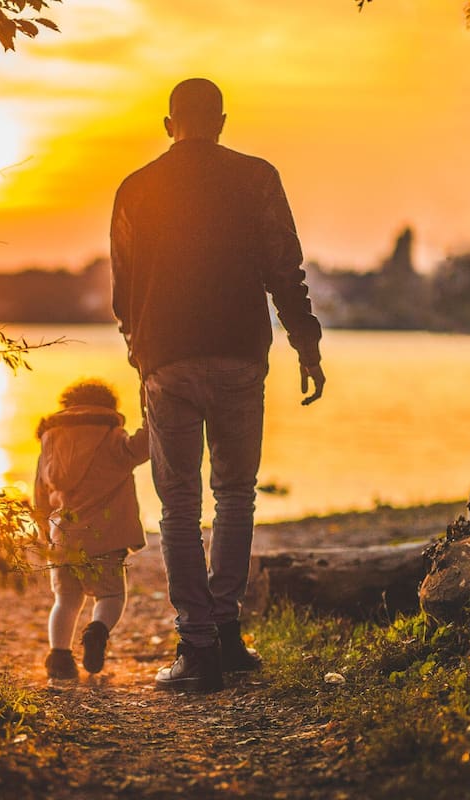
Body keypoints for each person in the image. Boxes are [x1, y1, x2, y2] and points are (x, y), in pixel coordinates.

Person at [110, 77, 325, 692]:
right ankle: (227, 634)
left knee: (179, 505)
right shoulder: (257, 177)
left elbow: (124, 288)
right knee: (235, 494)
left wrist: (139, 352)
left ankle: (197, 646)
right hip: (238, 353)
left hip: (167, 360)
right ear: (222, 121)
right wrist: (305, 343)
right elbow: (286, 267)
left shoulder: (135, 187)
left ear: (168, 123)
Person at [33, 379, 150, 681]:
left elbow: (40, 494)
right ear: (108, 408)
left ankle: (59, 657)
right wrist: (151, 408)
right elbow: (145, 446)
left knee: (66, 601)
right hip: (105, 539)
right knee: (110, 597)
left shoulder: (50, 440)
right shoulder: (112, 437)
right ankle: (97, 631)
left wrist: (44, 532)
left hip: (62, 539)